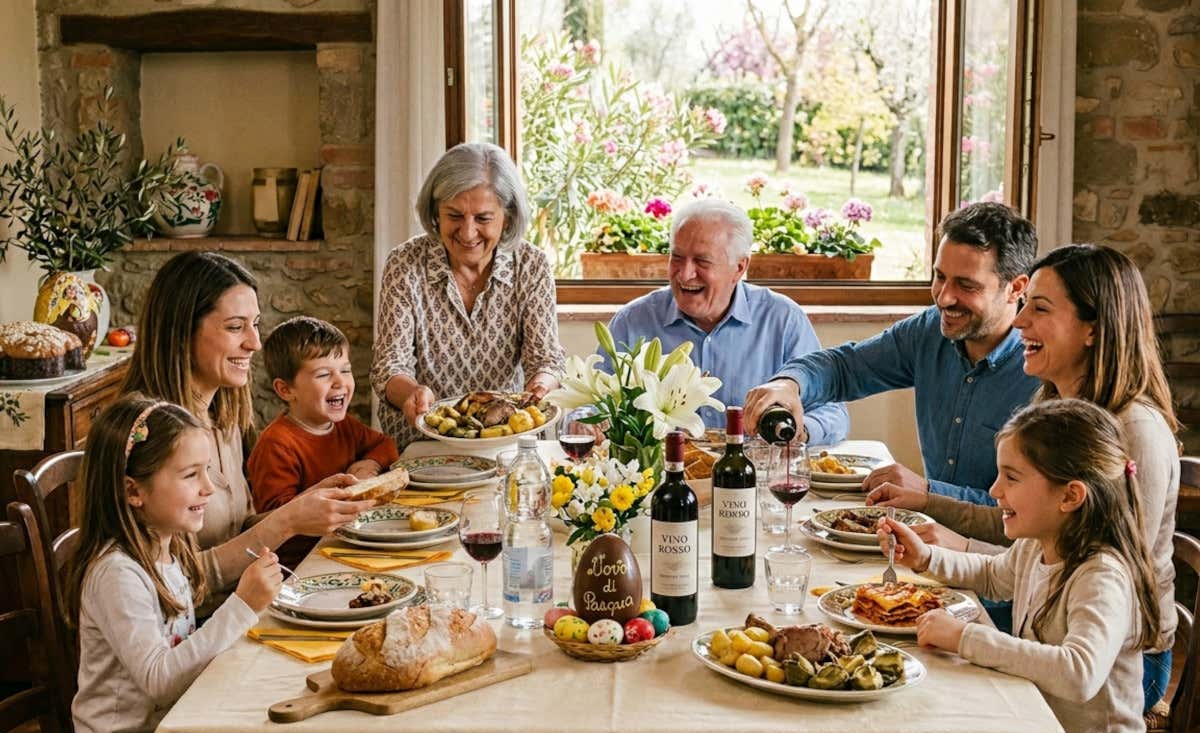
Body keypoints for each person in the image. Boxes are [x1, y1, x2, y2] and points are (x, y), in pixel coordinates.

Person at [868, 243, 1180, 711]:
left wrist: (959, 549)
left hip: (1118, 665)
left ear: (1093, 329)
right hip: (1047, 622)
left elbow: (1110, 581)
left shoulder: (1135, 431)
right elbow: (1026, 535)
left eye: (1039, 308)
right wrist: (930, 511)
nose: (1018, 322)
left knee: (927, 667)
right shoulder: (1053, 408)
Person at [879, 399, 1160, 733]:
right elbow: (993, 576)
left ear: (1070, 496)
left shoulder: (1102, 575)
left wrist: (965, 639)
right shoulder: (1040, 544)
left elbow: (1078, 673)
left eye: (1011, 478)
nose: (994, 490)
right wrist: (927, 558)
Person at [744, 202, 1039, 504]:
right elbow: (845, 368)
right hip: (929, 532)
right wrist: (790, 384)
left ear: (1016, 288)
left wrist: (928, 492)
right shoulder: (928, 331)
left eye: (966, 285)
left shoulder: (1042, 373)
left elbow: (1032, 511)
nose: (944, 297)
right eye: (939, 277)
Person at [64, 396, 282, 733]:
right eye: (189, 475)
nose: (209, 487)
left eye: (208, 471)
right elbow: (160, 680)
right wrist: (243, 605)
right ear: (134, 490)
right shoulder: (117, 573)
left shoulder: (169, 547)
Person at [123, 252, 376, 597]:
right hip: (200, 630)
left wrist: (304, 505)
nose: (255, 343)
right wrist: (287, 521)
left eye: (254, 324)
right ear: (182, 331)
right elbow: (174, 584)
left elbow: (238, 528)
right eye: (235, 327)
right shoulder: (148, 433)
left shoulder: (223, 415)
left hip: (245, 604)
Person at [604, 198, 848, 442]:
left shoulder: (783, 320)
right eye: (677, 257)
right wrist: (584, 424)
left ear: (739, 268)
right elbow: (594, 405)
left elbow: (832, 413)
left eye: (702, 261)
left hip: (754, 477)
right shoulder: (632, 322)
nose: (685, 273)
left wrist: (798, 431)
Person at [371, 142, 565, 450]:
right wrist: (411, 393)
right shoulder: (405, 264)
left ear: (508, 217)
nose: (468, 231)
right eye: (455, 215)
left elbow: (547, 359)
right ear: (435, 212)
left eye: (483, 218)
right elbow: (390, 365)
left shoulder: (531, 264)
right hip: (424, 445)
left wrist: (541, 384)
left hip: (506, 443)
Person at [248, 316, 399, 512]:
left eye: (345, 371)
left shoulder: (345, 426)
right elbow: (273, 519)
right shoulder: (277, 445)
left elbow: (386, 445)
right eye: (323, 374)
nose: (340, 382)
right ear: (285, 390)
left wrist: (370, 463)